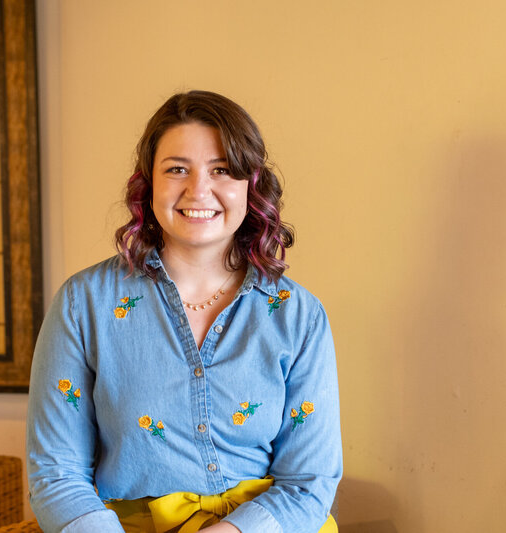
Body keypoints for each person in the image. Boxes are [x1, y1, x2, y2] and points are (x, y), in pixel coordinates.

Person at [27, 90, 342, 533]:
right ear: (148, 183)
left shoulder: (299, 316)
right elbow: (56, 473)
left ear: (250, 187)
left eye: (222, 170)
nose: (199, 190)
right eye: (177, 169)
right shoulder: (83, 304)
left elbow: (309, 481)